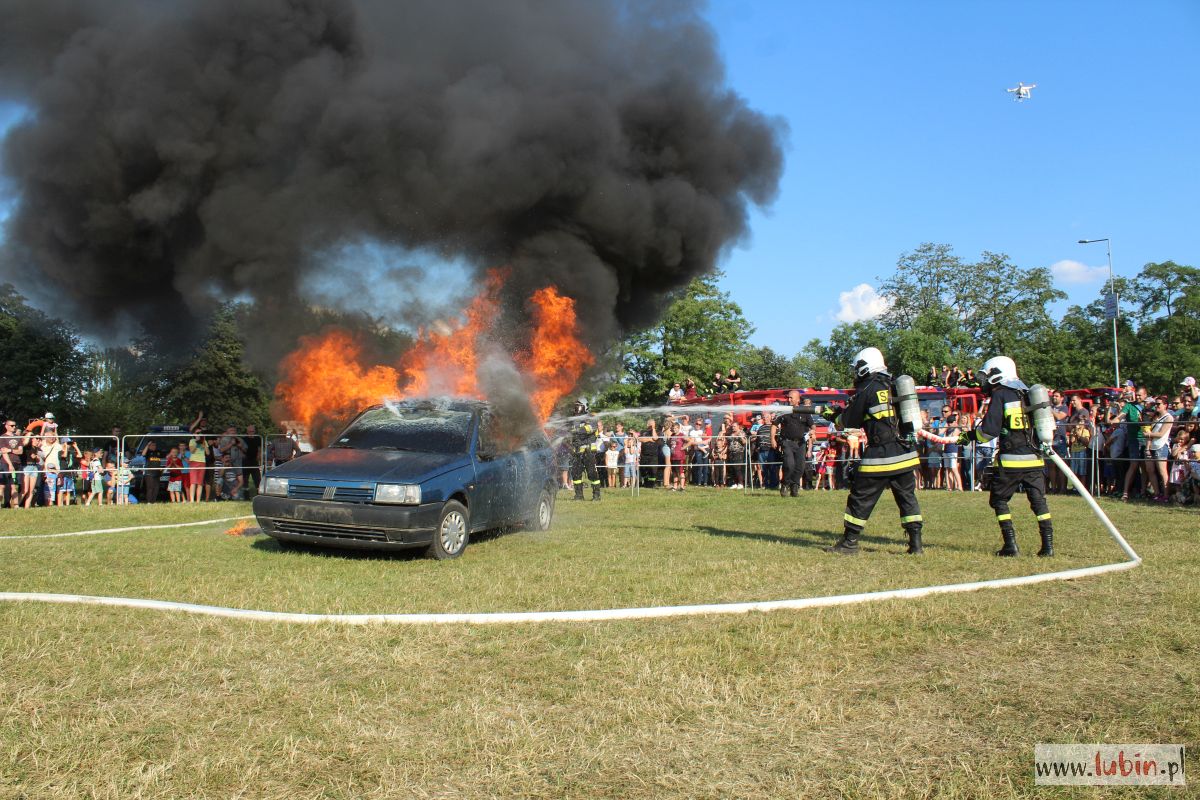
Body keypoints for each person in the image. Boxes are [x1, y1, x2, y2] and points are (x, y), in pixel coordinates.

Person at [823, 347, 924, 556]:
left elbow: (849, 421)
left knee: (860, 497)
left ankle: (849, 543)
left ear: (863, 368)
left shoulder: (868, 387)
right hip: (905, 453)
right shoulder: (894, 385)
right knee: (907, 499)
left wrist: (832, 415)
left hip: (881, 454)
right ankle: (916, 545)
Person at [966, 355, 1054, 557]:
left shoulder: (1000, 394)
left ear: (997, 374)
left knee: (999, 500)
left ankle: (1010, 545)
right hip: (1034, 459)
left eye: (987, 376)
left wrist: (968, 436)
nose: (985, 382)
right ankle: (1048, 547)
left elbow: (988, 432)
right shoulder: (1028, 393)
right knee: (1039, 502)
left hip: (1011, 461)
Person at [775, 390, 815, 497]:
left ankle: (794, 485)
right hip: (787, 442)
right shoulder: (784, 411)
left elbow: (812, 424)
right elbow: (774, 424)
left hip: (801, 443)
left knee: (800, 467)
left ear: (798, 399)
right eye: (788, 398)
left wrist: (813, 431)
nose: (788, 400)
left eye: (791, 398)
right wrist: (773, 439)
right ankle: (785, 484)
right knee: (789, 464)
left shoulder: (804, 411)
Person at [569, 399, 601, 501]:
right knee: (576, 473)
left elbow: (591, 428)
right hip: (577, 451)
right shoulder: (573, 419)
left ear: (584, 407)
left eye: (578, 406)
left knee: (591, 473)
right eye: (575, 406)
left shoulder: (591, 417)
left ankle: (596, 495)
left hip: (588, 450)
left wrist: (577, 430)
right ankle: (578, 495)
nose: (576, 408)